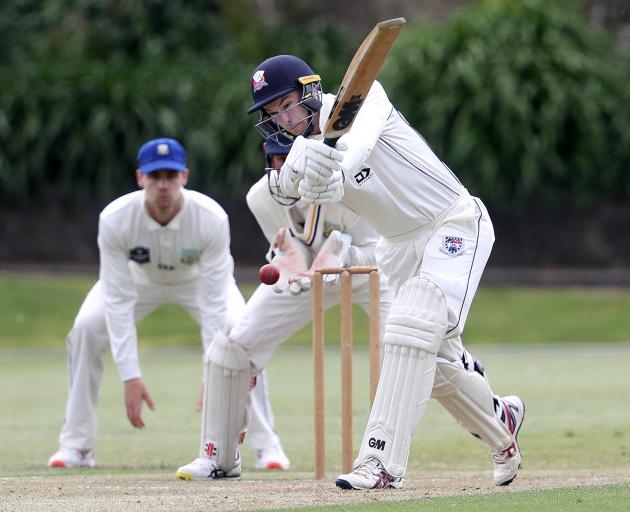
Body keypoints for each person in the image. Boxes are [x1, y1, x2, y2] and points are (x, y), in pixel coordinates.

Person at [243, 55, 525, 490]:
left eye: (286, 105)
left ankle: (379, 461)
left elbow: (356, 148)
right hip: (395, 247)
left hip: (451, 223)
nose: (282, 118)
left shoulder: (367, 98)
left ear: (311, 91)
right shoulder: (300, 146)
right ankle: (502, 424)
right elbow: (280, 186)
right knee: (433, 363)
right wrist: (300, 174)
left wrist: (333, 167)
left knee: (410, 333)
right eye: (272, 113)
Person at [47, 137, 288, 471]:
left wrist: (213, 376)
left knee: (239, 335)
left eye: (170, 176)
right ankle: (76, 445)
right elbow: (117, 301)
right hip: (137, 278)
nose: (163, 185)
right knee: (86, 329)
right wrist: (130, 376)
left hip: (197, 280)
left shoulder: (210, 217)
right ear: (140, 178)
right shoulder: (115, 218)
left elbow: (216, 300)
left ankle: (267, 447)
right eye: (155, 176)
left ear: (184, 177)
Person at [174, 135, 395, 480]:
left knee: (414, 351)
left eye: (292, 163)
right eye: (278, 163)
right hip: (308, 276)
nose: (285, 173)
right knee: (234, 346)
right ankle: (218, 456)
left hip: (372, 273)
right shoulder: (261, 197)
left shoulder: (346, 189)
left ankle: (497, 423)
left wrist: (341, 253)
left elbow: (383, 250)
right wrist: (288, 258)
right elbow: (290, 250)